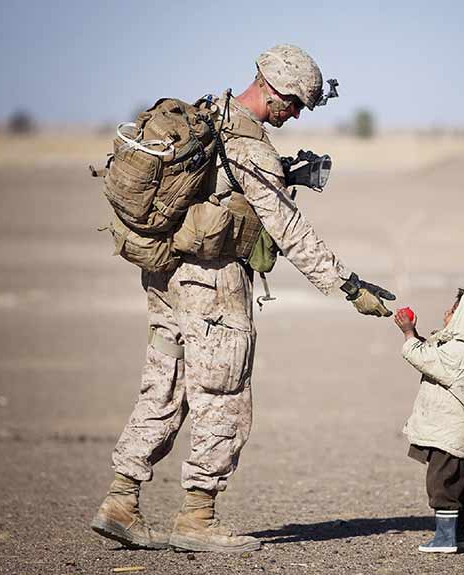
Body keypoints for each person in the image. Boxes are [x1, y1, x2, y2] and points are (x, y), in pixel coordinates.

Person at [91, 44, 396, 554]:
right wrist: (347, 285)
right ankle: (197, 517)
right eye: (295, 103)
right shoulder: (248, 144)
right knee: (224, 397)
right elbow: (289, 229)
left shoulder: (211, 115)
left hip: (166, 277)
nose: (295, 114)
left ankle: (121, 501)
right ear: (272, 89)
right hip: (212, 285)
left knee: (163, 386)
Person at [393, 289, 464, 553]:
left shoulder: (459, 352)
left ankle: (445, 539)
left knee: (442, 484)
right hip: (453, 431)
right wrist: (415, 334)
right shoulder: (458, 347)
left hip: (450, 433)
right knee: (457, 486)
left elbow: (423, 357)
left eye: (453, 311)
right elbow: (431, 351)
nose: (447, 313)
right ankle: (458, 536)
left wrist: (408, 334)